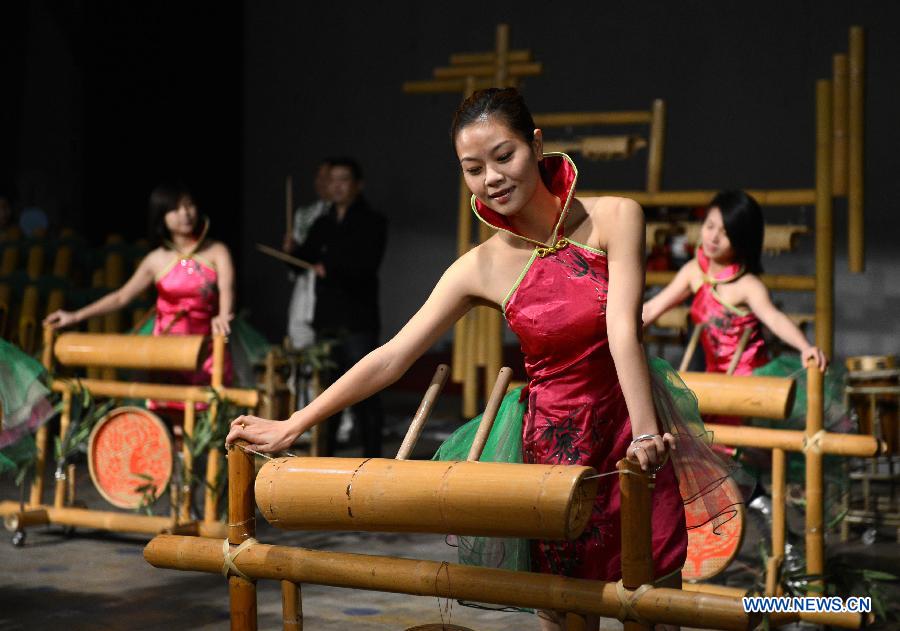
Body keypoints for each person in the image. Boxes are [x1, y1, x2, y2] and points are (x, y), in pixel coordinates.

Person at [228, 89, 737, 631]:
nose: (491, 178)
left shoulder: (615, 217)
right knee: (567, 610)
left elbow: (622, 332)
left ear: (536, 145)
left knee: (655, 605)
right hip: (553, 453)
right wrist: (295, 424)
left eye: (504, 156)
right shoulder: (479, 267)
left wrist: (643, 436)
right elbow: (392, 357)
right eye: (473, 168)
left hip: (633, 432)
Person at [44, 183, 236, 409]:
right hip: (166, 348)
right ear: (161, 216)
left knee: (209, 407)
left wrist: (223, 315)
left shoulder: (217, 251)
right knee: (168, 409)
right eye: (175, 208)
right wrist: (75, 317)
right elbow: (121, 297)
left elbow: (227, 289)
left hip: (209, 344)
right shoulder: (156, 260)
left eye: (189, 205)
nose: (185, 213)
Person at [642, 190, 827, 386]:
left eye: (726, 233)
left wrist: (805, 347)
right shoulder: (693, 271)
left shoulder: (748, 285)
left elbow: (774, 319)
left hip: (748, 380)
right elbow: (653, 308)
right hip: (713, 377)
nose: (713, 237)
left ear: (742, 240)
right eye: (710, 226)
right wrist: (614, 332)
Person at [287, 157, 387, 457]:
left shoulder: (373, 221)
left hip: (357, 320)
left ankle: (373, 457)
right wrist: (292, 249)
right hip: (327, 319)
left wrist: (329, 267)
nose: (337, 186)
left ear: (358, 185)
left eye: (344, 179)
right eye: (333, 180)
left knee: (366, 392)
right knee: (327, 394)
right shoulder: (322, 222)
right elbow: (304, 257)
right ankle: (326, 458)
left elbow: (366, 265)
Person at [283, 160, 331, 350]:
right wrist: (291, 250)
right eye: (318, 177)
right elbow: (298, 256)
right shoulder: (305, 213)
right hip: (305, 284)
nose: (321, 182)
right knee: (299, 335)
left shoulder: (335, 215)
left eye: (326, 177)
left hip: (329, 285)